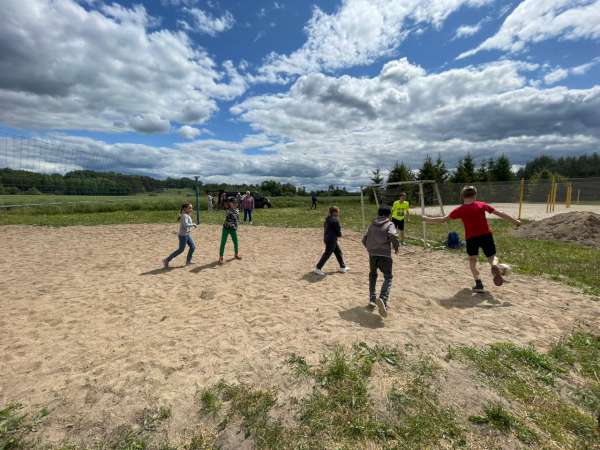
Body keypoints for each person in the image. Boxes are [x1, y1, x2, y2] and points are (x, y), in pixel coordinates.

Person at [423, 185, 521, 292]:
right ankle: (494, 266)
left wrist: (426, 219)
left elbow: (443, 219)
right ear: (475, 195)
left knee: (472, 261)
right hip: (486, 235)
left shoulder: (460, 210)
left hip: (471, 238)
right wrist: (515, 221)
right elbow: (500, 213)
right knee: (492, 257)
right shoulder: (481, 205)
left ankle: (479, 284)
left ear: (462, 196)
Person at [362, 206, 399, 318]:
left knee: (373, 275)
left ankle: (372, 299)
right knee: (388, 277)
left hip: (372, 254)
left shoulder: (372, 224)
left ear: (378, 213)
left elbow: (364, 239)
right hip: (385, 255)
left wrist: (370, 248)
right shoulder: (390, 224)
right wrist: (396, 246)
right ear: (389, 214)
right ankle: (383, 299)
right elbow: (393, 235)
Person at [313, 206, 348, 276]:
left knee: (338, 252)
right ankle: (318, 268)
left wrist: (338, 234)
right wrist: (340, 234)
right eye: (337, 212)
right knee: (327, 254)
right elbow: (338, 230)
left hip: (328, 238)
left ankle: (342, 267)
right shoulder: (335, 220)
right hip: (331, 239)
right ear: (334, 212)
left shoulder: (327, 219)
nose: (338, 213)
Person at [163, 203, 197, 268]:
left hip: (187, 234)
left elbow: (186, 224)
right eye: (189, 208)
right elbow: (185, 225)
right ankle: (166, 260)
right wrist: (193, 224)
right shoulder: (184, 216)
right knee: (181, 250)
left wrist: (191, 225)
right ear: (185, 208)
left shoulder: (186, 215)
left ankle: (188, 261)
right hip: (183, 235)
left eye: (191, 208)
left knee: (192, 247)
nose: (191, 209)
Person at [219, 197, 242, 264]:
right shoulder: (228, 210)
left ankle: (236, 254)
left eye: (236, 203)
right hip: (226, 228)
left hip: (233, 229)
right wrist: (225, 199)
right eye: (234, 203)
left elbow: (237, 220)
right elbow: (223, 205)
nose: (236, 204)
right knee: (223, 242)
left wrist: (237, 226)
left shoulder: (237, 210)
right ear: (230, 203)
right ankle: (221, 257)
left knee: (235, 242)